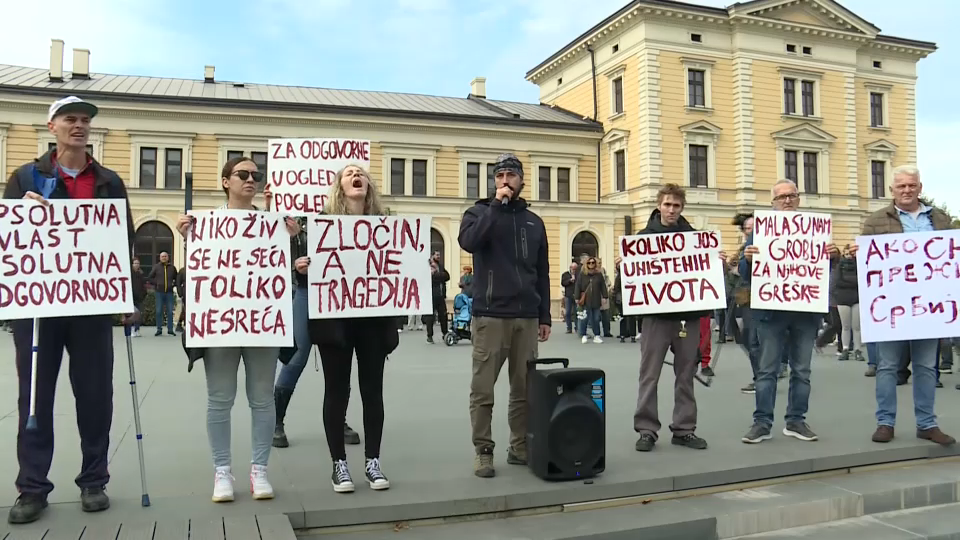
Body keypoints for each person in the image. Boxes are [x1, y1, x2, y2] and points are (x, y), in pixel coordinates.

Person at [4, 96, 136, 524]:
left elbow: (124, 242)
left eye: (85, 120)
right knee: (35, 398)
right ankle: (32, 488)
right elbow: (7, 237)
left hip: (93, 306)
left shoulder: (110, 181)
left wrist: (128, 298)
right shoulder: (26, 176)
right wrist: (21, 216)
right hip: (40, 307)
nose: (78, 126)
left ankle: (94, 479)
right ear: (52, 126)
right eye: (70, 119)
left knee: (96, 395)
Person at [176, 155, 299, 502]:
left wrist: (294, 238)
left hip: (261, 323)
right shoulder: (206, 223)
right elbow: (199, 272)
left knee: (262, 399)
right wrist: (187, 235)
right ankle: (222, 471)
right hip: (221, 325)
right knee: (219, 399)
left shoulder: (275, 224)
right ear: (226, 181)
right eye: (243, 174)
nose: (251, 180)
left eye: (256, 175)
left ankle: (259, 470)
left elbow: (292, 271)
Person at [304, 164, 399, 493]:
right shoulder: (322, 225)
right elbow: (304, 266)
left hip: (373, 321)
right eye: (349, 173)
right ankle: (339, 465)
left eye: (361, 173)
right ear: (339, 186)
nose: (356, 176)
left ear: (368, 185)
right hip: (335, 322)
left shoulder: (386, 226)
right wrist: (302, 267)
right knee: (337, 391)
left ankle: (373, 462)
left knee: (373, 391)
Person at [458, 153, 552, 478]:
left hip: (525, 316)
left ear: (522, 180)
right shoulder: (478, 213)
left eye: (511, 175)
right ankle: (483, 450)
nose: (505, 180)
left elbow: (541, 272)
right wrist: (495, 207)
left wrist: (545, 316)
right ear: (494, 181)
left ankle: (519, 446)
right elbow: (469, 242)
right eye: (499, 176)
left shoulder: (533, 222)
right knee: (483, 388)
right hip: (490, 316)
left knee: (524, 388)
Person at [850, 165, 955, 446]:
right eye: (901, 187)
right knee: (886, 366)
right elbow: (868, 263)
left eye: (912, 185)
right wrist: (858, 254)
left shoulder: (941, 218)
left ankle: (927, 424)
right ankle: (885, 422)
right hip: (890, 306)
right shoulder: (875, 221)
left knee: (925, 367)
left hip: (929, 306)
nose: (907, 190)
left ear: (920, 187)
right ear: (891, 191)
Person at [739, 179, 839, 444]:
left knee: (802, 370)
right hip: (771, 313)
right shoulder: (761, 230)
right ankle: (762, 422)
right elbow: (744, 273)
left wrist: (834, 255)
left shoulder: (815, 229)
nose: (786, 200)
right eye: (781, 197)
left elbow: (822, 270)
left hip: (805, 313)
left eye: (791, 196)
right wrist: (747, 259)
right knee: (767, 370)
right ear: (772, 202)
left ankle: (796, 420)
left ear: (798, 199)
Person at [633, 183, 722, 452]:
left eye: (676, 205)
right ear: (659, 205)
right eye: (667, 204)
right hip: (656, 318)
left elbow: (705, 275)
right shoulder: (643, 238)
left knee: (686, 373)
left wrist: (716, 262)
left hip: (687, 317)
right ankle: (646, 430)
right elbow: (632, 282)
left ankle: (684, 429)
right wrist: (625, 267)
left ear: (682, 208)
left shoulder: (695, 238)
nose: (671, 209)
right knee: (649, 374)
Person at [272, 215, 361, 449]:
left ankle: (337, 420)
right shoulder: (289, 215)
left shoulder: (339, 211)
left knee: (339, 360)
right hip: (306, 291)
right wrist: (295, 238)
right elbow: (271, 253)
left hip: (337, 292)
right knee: (296, 357)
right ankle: (276, 421)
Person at [832, 246, 862, 362]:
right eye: (847, 253)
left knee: (856, 326)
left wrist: (847, 281)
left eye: (851, 253)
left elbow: (860, 280)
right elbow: (838, 282)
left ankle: (857, 349)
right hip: (843, 299)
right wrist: (853, 282)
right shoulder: (839, 266)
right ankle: (845, 349)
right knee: (845, 326)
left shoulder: (858, 265)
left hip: (855, 298)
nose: (849, 255)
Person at [574, 257, 607, 343]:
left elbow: (603, 286)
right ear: (586, 264)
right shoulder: (582, 274)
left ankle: (597, 335)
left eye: (593, 262)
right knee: (584, 318)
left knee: (596, 319)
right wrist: (577, 297)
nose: (591, 264)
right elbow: (578, 286)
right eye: (589, 263)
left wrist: (605, 297)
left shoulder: (599, 275)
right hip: (585, 300)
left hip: (596, 300)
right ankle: (583, 335)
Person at [146, 251, 178, 336]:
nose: (164, 258)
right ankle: (159, 329)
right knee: (159, 311)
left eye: (165, 256)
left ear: (168, 257)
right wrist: (156, 283)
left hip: (169, 293)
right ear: (160, 258)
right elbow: (149, 278)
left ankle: (170, 329)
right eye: (162, 256)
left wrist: (173, 284)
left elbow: (177, 278)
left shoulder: (172, 268)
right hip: (159, 292)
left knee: (170, 312)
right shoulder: (156, 267)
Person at [424, 255, 450, 344]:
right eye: (437, 255)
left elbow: (447, 276)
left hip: (441, 295)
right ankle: (429, 336)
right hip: (431, 296)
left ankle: (445, 333)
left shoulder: (441, 266)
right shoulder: (427, 267)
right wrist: (438, 276)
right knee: (430, 317)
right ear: (432, 256)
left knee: (443, 315)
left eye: (439, 255)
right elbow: (431, 279)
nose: (439, 256)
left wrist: (437, 274)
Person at [130, 258, 147, 337]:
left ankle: (137, 329)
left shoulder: (141, 274)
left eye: (138, 263)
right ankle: (132, 329)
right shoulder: (130, 274)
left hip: (139, 297)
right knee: (132, 314)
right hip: (132, 297)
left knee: (139, 314)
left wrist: (144, 293)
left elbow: (143, 285)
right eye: (135, 263)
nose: (136, 265)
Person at [561, 262, 578, 334]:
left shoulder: (578, 275)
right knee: (568, 312)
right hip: (568, 295)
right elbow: (563, 283)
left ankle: (577, 328)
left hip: (576, 295)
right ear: (570, 268)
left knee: (577, 312)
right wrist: (569, 281)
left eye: (575, 269)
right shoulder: (565, 274)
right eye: (573, 268)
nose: (574, 270)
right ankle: (569, 328)